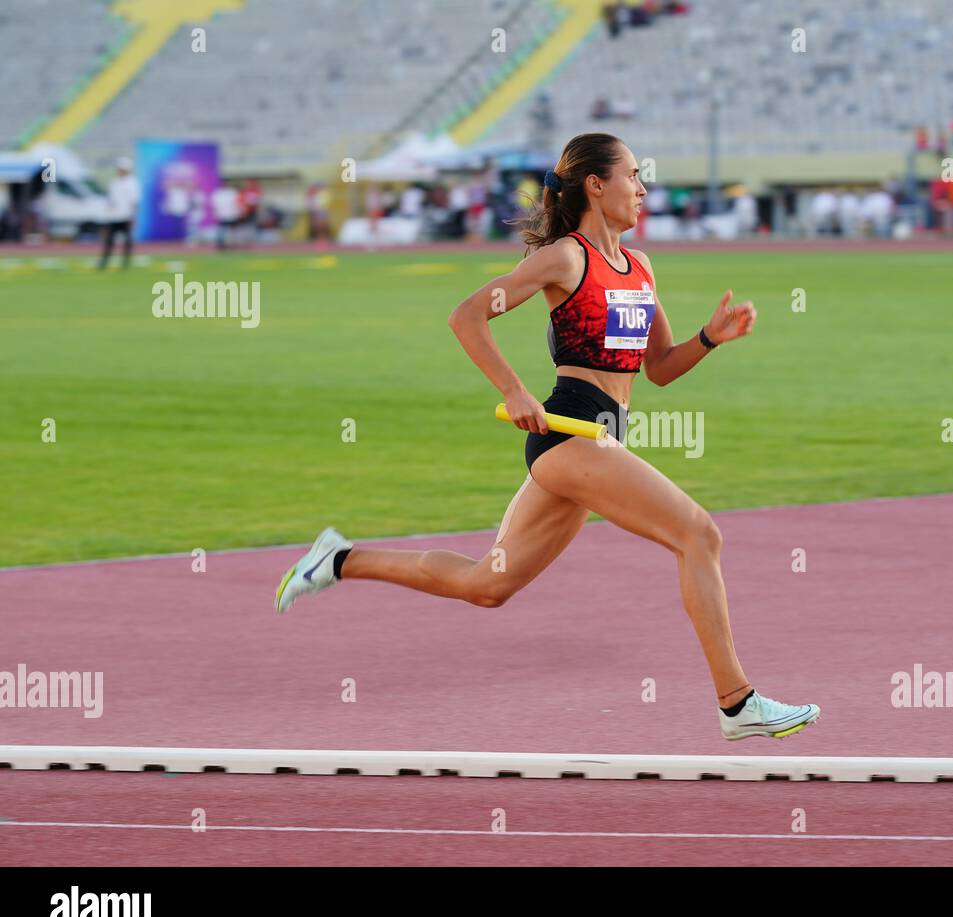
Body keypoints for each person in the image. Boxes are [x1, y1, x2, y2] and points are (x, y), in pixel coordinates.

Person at [274, 133, 820, 741]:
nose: (642, 189)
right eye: (633, 176)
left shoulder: (640, 268)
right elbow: (468, 314)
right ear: (596, 185)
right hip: (569, 435)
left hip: (601, 439)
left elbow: (659, 367)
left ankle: (339, 559)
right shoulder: (566, 258)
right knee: (698, 535)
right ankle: (736, 701)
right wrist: (513, 389)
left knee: (488, 584)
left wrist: (710, 338)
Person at [99, 157, 140, 270]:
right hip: (113, 216)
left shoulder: (132, 183)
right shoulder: (115, 182)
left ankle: (125, 263)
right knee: (109, 241)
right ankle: (104, 261)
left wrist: (133, 216)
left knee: (127, 241)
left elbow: (134, 201)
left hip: (125, 216)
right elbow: (110, 199)